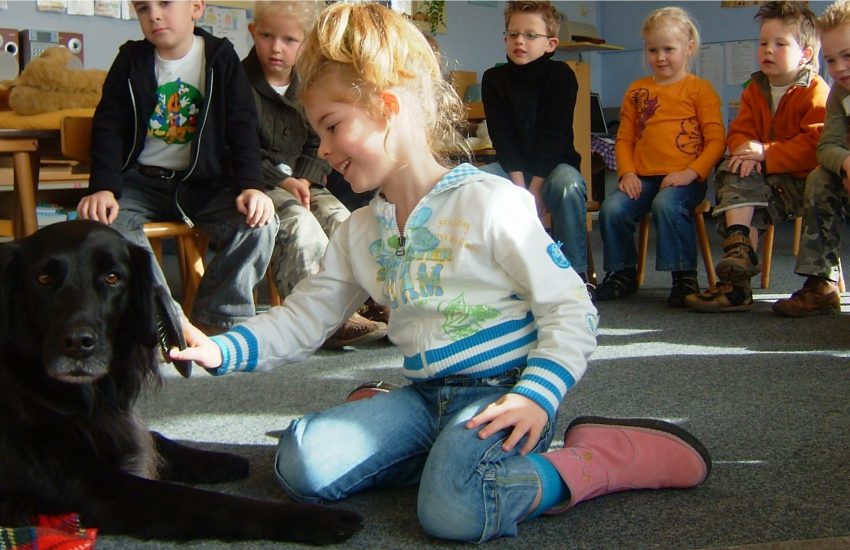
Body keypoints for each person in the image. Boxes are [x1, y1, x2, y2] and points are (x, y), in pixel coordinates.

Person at [171, 3, 711, 543]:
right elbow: (303, 318)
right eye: (320, 133)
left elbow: (570, 308)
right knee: (302, 463)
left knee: (456, 510)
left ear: (386, 107)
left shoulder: (491, 201)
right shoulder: (359, 230)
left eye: (333, 128)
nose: (326, 150)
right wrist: (223, 349)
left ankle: (594, 460)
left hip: (504, 396)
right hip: (423, 397)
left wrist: (537, 395)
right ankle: (440, 455)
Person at [76, 0, 277, 334]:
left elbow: (242, 127)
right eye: (142, 8)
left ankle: (217, 319)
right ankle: (166, 320)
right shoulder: (130, 60)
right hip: (140, 182)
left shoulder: (220, 58)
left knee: (260, 224)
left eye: (165, 3)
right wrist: (103, 187)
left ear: (196, 8)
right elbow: (108, 128)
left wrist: (251, 186)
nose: (154, 14)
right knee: (108, 228)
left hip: (204, 185)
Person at [244, 0, 387, 347]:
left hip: (305, 182)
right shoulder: (238, 83)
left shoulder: (309, 86)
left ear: (305, 43)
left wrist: (305, 178)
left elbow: (318, 141)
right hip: (260, 186)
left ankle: (377, 299)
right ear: (253, 33)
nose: (276, 48)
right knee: (302, 226)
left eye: (289, 40)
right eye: (266, 36)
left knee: (345, 221)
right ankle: (324, 318)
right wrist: (283, 181)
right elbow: (237, 149)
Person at [686, 1, 829, 313]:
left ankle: (741, 271)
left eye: (780, 44)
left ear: (805, 54)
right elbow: (739, 131)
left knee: (745, 184)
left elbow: (815, 144)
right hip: (765, 183)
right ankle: (740, 250)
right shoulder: (755, 88)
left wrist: (764, 153)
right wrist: (746, 150)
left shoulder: (814, 89)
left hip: (804, 184)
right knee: (733, 167)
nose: (768, 50)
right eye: (763, 43)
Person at [595, 6, 725, 307]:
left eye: (669, 49)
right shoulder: (637, 90)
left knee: (667, 205)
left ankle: (683, 276)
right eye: (653, 50)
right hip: (642, 177)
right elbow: (625, 138)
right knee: (612, 208)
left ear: (689, 48)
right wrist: (627, 173)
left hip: (685, 178)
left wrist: (691, 173)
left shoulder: (700, 90)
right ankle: (622, 273)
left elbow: (717, 142)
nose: (661, 57)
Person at [478, 1, 591, 286]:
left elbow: (552, 137)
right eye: (513, 34)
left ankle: (574, 276)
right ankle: (492, 277)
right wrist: (520, 190)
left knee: (568, 186)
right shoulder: (494, 78)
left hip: (552, 168)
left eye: (530, 35)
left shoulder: (561, 76)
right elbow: (501, 136)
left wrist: (535, 190)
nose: (520, 41)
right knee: (477, 184)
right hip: (511, 170)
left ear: (551, 44)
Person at [772, 0, 850, 317]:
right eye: (830, 60)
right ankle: (821, 284)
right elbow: (826, 145)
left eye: (848, 56)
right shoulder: (840, 94)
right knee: (820, 176)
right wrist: (846, 163)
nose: (839, 68)